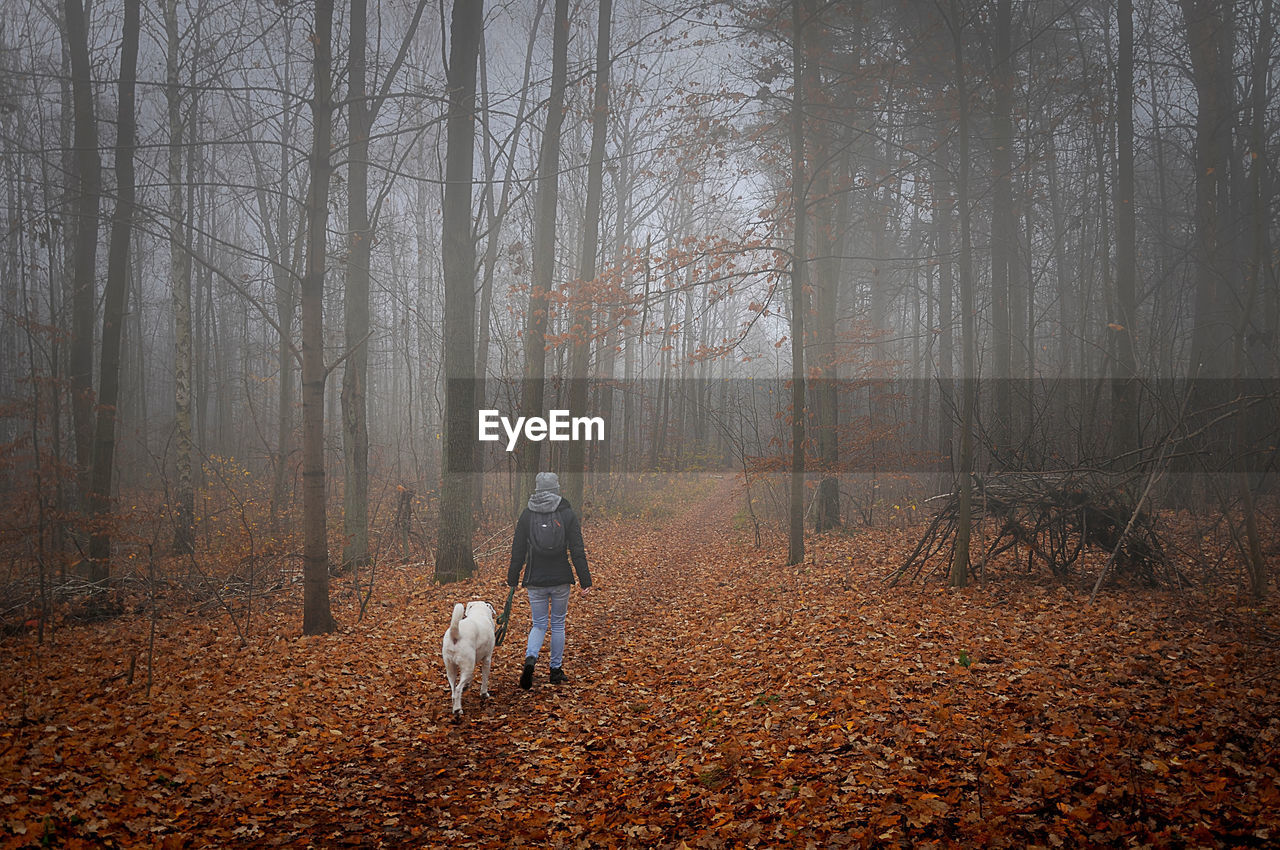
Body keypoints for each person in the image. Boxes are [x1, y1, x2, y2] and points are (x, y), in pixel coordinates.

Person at [507, 472, 592, 688]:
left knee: (538, 624)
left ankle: (531, 658)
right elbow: (577, 549)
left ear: (537, 489)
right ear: (556, 489)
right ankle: (555, 670)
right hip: (561, 578)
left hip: (534, 578)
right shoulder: (566, 513)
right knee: (557, 623)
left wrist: (513, 578)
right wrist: (585, 580)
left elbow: (518, 550)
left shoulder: (527, 514)